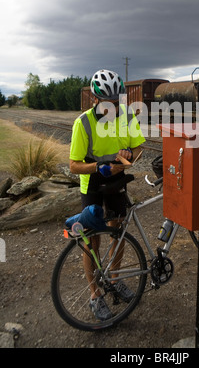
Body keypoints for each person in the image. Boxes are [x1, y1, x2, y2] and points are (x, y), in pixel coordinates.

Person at [69, 69, 145, 321]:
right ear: (94, 100)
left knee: (118, 230)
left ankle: (114, 279)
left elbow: (139, 147)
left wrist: (129, 158)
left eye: (115, 102)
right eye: (106, 103)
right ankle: (94, 294)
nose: (112, 107)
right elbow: (73, 165)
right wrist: (98, 167)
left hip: (117, 178)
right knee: (92, 240)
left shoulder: (125, 116)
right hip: (92, 181)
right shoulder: (84, 123)